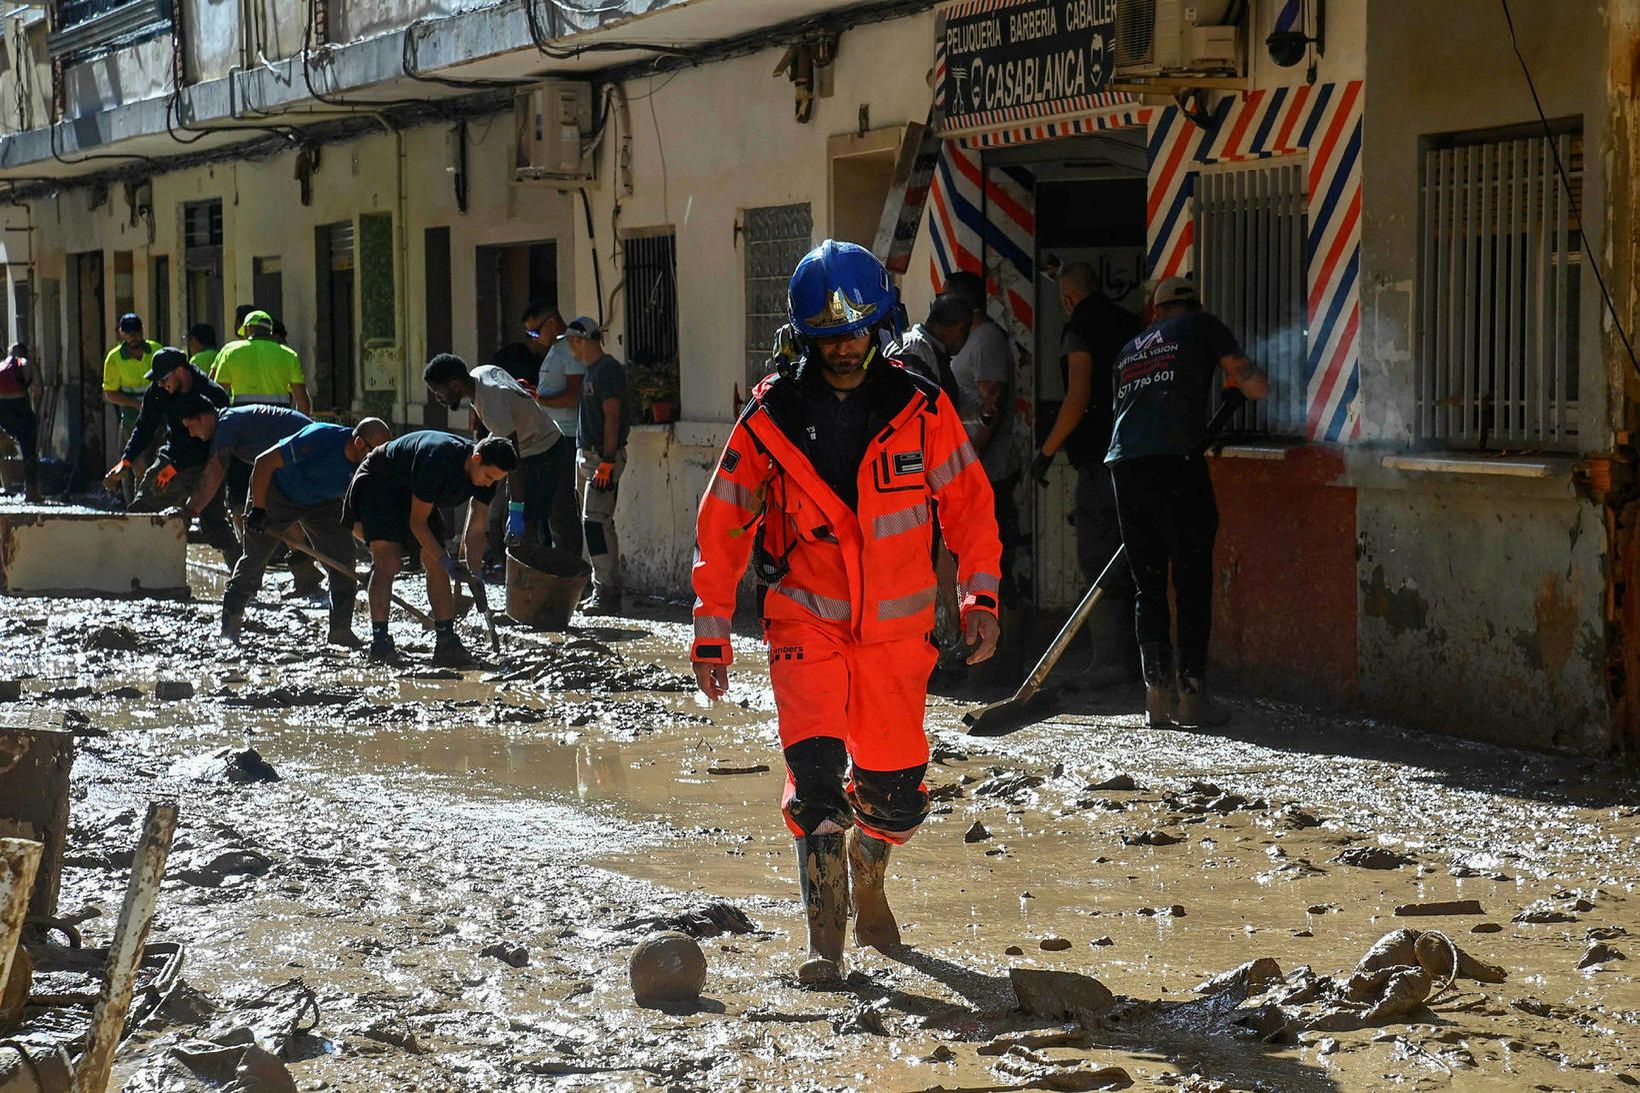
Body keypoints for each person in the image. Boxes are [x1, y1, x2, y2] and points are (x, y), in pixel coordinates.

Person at [691, 240, 1003, 982]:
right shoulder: (770, 418)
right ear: (804, 338)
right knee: (819, 781)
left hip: (898, 637)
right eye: (829, 337)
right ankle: (823, 947)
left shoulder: (920, 410)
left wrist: (980, 595)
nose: (844, 348)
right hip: (806, 623)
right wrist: (711, 630)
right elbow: (724, 520)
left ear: (881, 327)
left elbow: (969, 505)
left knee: (895, 799)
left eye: (857, 332)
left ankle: (871, 864)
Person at [1107, 276, 1269, 728]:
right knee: (1192, 578)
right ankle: (1194, 698)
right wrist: (1240, 386)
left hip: (1124, 467)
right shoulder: (1202, 325)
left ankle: (1156, 698)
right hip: (1176, 463)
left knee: (1149, 585)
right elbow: (1256, 387)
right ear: (1194, 305)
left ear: (1155, 312)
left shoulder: (1129, 350)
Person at [1030, 263, 1146, 687]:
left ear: (1067, 299)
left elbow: (1077, 396)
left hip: (1099, 462)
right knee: (1133, 556)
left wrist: (1045, 452)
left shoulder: (1079, 327)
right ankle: (1141, 660)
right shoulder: (1130, 322)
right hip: (1135, 456)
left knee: (1098, 557)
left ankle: (1111, 662)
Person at [342, 430, 516, 666]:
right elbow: (417, 523)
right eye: (488, 476)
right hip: (380, 483)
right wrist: (447, 561)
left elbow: (476, 529)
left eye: (495, 479)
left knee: (436, 563)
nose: (489, 483)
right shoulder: (437, 459)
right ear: (476, 459)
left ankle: (446, 642)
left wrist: (474, 573)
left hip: (416, 493)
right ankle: (380, 644)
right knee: (389, 561)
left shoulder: (487, 477)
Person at [223, 416, 393, 645]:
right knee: (254, 558)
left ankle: (340, 632)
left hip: (323, 503)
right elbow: (264, 463)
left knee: (343, 561)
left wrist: (376, 550)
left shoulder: (369, 469)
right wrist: (258, 510)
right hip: (277, 492)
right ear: (360, 444)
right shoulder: (319, 437)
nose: (378, 460)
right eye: (376, 452)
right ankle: (229, 630)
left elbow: (357, 519)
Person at [175, 400, 323, 602]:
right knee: (284, 520)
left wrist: (190, 511)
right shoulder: (230, 421)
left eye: (190, 427)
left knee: (264, 519)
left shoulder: (227, 424)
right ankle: (306, 578)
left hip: (303, 447)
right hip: (296, 451)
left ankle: (247, 586)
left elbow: (214, 471)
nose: (192, 434)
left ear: (204, 418)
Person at [104, 347, 239, 564]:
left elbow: (216, 443)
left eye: (163, 379)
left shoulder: (211, 394)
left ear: (180, 371)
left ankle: (244, 580)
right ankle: (132, 567)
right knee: (143, 508)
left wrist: (176, 468)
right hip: (173, 453)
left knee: (214, 524)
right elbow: (144, 427)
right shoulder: (158, 392)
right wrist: (126, 460)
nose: (160, 384)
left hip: (207, 462)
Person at [423, 353, 570, 551]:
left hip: (542, 451)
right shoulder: (480, 373)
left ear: (455, 384)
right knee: (534, 522)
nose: (437, 397)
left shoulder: (491, 405)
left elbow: (512, 460)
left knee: (525, 527)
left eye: (438, 391)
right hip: (540, 441)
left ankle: (535, 577)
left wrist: (517, 509)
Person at [944, 271, 1023, 598]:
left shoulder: (986, 340)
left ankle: (1006, 645)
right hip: (975, 471)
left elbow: (993, 404)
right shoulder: (970, 340)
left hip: (988, 474)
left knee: (993, 564)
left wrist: (967, 465)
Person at [564, 317, 629, 615]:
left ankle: (606, 590)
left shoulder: (607, 370)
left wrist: (607, 460)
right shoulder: (591, 372)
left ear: (579, 340)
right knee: (595, 522)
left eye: (569, 341)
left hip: (601, 458)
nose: (568, 348)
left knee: (595, 522)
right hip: (588, 456)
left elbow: (612, 416)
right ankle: (600, 586)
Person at [528, 300, 585, 556]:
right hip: (553, 437)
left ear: (551, 322)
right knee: (554, 507)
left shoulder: (569, 349)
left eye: (534, 331)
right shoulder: (556, 351)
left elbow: (575, 395)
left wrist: (539, 400)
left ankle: (570, 568)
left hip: (568, 438)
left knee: (563, 508)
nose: (534, 339)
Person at [101, 313, 163, 500]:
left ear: (142, 330)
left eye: (136, 333)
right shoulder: (115, 358)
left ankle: (159, 502)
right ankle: (136, 505)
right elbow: (110, 393)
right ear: (121, 334)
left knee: (161, 460)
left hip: (159, 413)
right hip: (131, 417)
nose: (133, 337)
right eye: (128, 334)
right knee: (136, 464)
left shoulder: (155, 350)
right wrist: (136, 404)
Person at [212, 310, 311, 413]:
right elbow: (302, 401)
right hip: (279, 420)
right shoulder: (289, 355)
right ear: (270, 332)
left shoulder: (231, 352)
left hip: (244, 420)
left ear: (247, 329)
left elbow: (217, 395)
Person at [893, 294, 972, 400]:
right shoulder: (913, 349)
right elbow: (904, 402)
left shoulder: (936, 353)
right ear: (960, 329)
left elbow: (950, 402)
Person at [0, 344, 40, 502]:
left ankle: (6, 484)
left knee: (3, 448)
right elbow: (38, 390)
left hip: (1, 408)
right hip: (19, 404)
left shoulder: (1, 365)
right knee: (28, 448)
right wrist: (35, 412)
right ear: (25, 353)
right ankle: (31, 492)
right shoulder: (28, 364)